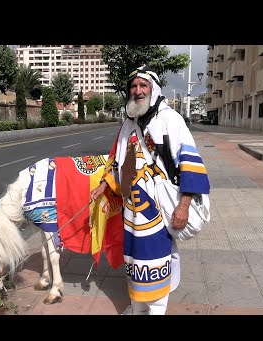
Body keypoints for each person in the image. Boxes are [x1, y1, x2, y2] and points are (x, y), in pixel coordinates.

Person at [90, 65, 210, 315]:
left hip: (157, 213)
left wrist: (184, 206)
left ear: (153, 89)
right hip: (130, 216)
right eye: (133, 86)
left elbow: (190, 162)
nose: (138, 90)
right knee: (133, 264)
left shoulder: (171, 120)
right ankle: (138, 309)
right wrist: (104, 184)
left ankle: (155, 311)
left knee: (154, 264)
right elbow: (118, 162)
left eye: (143, 85)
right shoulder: (127, 125)